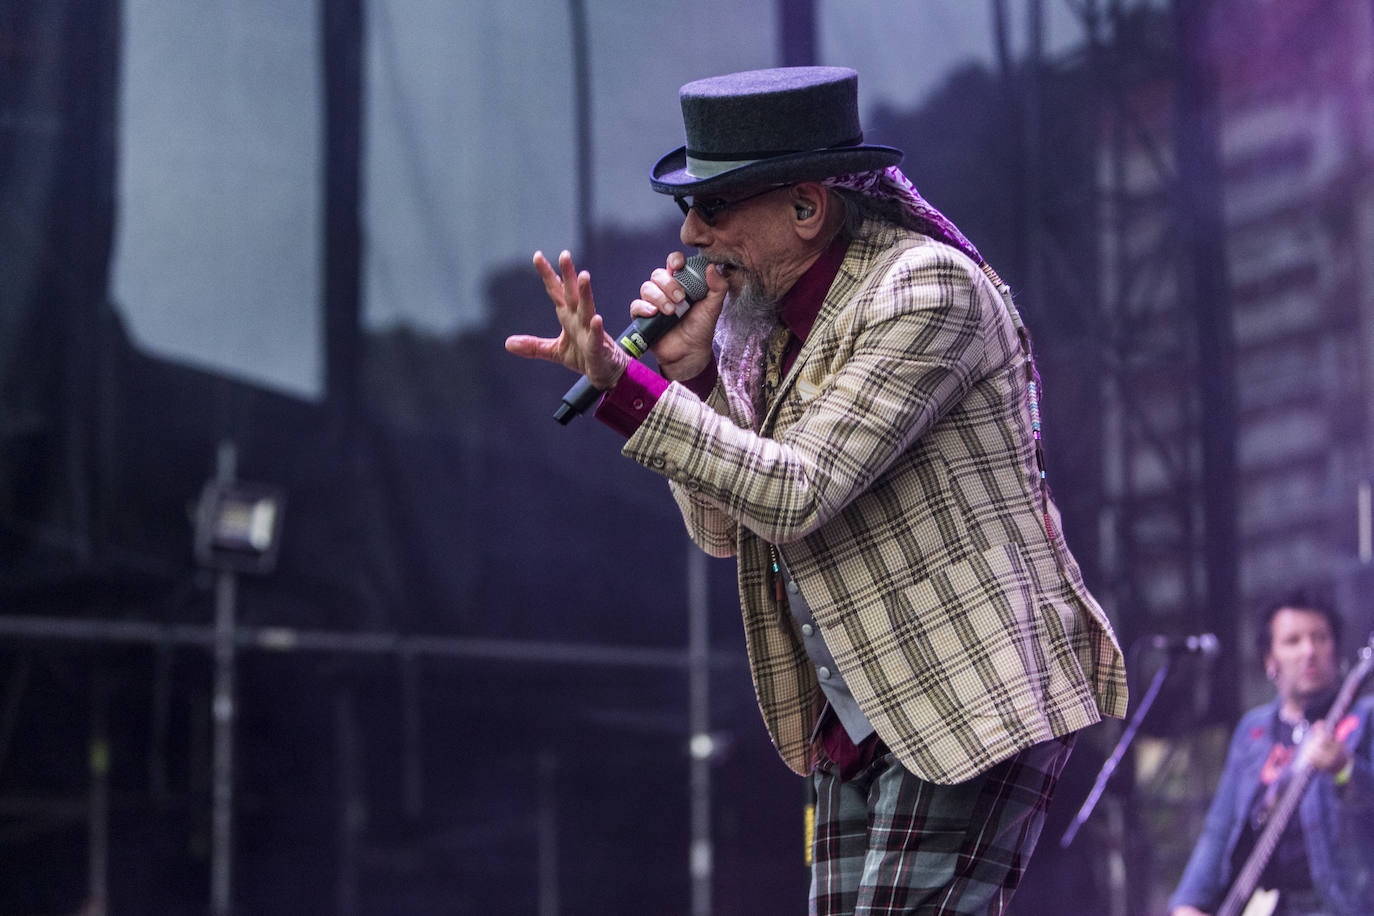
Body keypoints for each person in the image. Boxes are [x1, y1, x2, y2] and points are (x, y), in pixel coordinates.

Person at [506, 66, 1127, 915]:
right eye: (689, 207)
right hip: (863, 717)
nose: (691, 233)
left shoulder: (922, 290)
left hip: (966, 691)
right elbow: (728, 528)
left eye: (716, 206)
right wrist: (686, 382)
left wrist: (628, 390)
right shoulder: (764, 328)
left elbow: (797, 490)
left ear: (806, 207)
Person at [1168, 591, 1374, 916]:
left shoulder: (1365, 717)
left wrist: (1345, 769)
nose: (1309, 651)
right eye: (1293, 641)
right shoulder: (1254, 731)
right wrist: (1189, 903)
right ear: (1269, 660)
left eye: (1320, 638)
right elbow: (1220, 829)